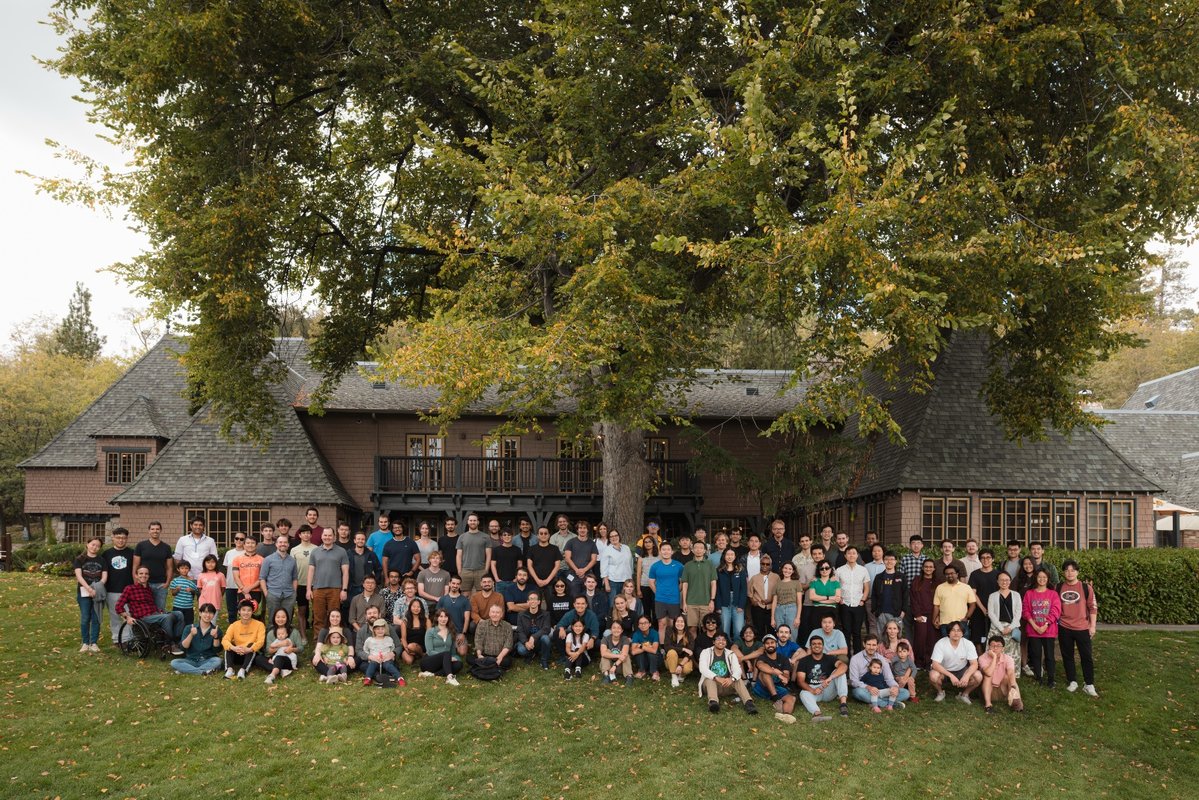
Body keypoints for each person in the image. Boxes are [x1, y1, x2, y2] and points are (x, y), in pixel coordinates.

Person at [115, 565, 185, 654]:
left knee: (179, 614)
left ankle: (177, 640)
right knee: (167, 617)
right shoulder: (130, 588)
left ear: (148, 576)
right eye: (141, 573)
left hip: (155, 614)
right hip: (143, 618)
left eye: (146, 574)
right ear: (136, 575)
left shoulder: (148, 589)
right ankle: (170, 644)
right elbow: (118, 606)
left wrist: (159, 612)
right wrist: (127, 617)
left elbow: (151, 605)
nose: (143, 575)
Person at [1058, 559, 1099, 697]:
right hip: (1064, 627)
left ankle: (1089, 684)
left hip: (1082, 627)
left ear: (1077, 572)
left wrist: (1092, 626)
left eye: (1073, 570)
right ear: (1063, 572)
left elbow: (1093, 608)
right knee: (1067, 655)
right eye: (1067, 570)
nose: (1070, 573)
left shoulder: (1086, 588)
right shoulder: (1059, 587)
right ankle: (1072, 681)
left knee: (1086, 657)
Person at [698, 632, 758, 714]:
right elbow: (703, 668)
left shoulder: (730, 654)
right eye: (718, 639)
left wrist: (732, 679)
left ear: (726, 643)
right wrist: (716, 677)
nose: (721, 642)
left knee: (738, 679)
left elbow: (738, 670)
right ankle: (713, 702)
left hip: (726, 684)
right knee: (710, 679)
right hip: (711, 685)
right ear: (713, 642)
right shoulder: (705, 652)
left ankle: (749, 703)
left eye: (723, 640)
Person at [307, 527, 350, 637]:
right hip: (318, 589)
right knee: (318, 617)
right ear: (321, 536)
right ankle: (319, 642)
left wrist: (344, 590)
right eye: (325, 535)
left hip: (335, 589)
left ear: (334, 537)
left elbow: (345, 572)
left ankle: (333, 640)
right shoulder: (315, 551)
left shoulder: (341, 551)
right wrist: (308, 589)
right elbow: (311, 571)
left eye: (330, 535)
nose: (327, 537)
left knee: (334, 617)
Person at [1023, 566, 1062, 687]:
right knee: (1036, 655)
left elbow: (1056, 611)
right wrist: (1034, 625)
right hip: (1033, 630)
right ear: (1036, 578)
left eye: (1044, 577)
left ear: (1048, 579)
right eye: (1039, 577)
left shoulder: (1053, 594)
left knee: (1049, 655)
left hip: (1048, 630)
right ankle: (1039, 677)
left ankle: (1051, 679)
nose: (1042, 579)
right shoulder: (1029, 593)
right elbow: (1025, 611)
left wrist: (1046, 624)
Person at [848, 634, 909, 709]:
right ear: (864, 644)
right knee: (858, 693)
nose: (871, 647)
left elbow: (889, 678)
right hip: (865, 689)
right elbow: (854, 681)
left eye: (874, 645)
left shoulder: (882, 659)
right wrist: (869, 687)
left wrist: (895, 687)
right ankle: (889, 703)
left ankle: (875, 702)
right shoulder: (855, 659)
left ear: (877, 646)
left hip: (882, 690)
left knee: (905, 693)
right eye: (869, 644)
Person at [795, 635, 848, 721]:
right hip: (813, 689)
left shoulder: (830, 658)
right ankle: (817, 714)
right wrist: (813, 690)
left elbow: (844, 666)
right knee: (803, 693)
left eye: (819, 644)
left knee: (840, 673)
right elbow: (800, 681)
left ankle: (843, 704)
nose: (817, 646)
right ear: (810, 646)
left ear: (823, 646)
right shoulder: (804, 661)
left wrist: (830, 678)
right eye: (814, 644)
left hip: (828, 688)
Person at [928, 621, 982, 703]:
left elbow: (974, 664)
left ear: (963, 633)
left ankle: (965, 695)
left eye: (959, 630)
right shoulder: (941, 643)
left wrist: (967, 676)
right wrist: (950, 676)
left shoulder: (968, 644)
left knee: (978, 676)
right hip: (944, 670)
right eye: (953, 630)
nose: (956, 633)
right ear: (948, 633)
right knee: (933, 676)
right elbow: (935, 664)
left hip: (961, 670)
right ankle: (940, 693)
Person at [101, 528, 136, 644]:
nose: (121, 540)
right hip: (112, 590)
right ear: (113, 538)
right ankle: (117, 638)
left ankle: (128, 639)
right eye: (118, 538)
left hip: (128, 590)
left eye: (124, 538)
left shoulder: (132, 553)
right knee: (115, 615)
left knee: (128, 615)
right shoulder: (106, 554)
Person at [752, 633, 797, 722]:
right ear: (764, 646)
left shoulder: (783, 658)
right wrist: (777, 673)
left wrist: (784, 677)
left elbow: (786, 675)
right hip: (762, 688)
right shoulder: (762, 657)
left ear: (776, 644)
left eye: (772, 642)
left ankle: (786, 716)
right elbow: (760, 666)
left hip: (777, 687)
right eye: (767, 643)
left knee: (792, 698)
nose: (770, 645)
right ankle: (775, 699)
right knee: (764, 673)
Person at [72, 535, 106, 653]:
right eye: (93, 544)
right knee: (85, 618)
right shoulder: (79, 560)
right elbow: (79, 576)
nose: (95, 547)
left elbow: (104, 576)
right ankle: (85, 643)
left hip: (98, 592)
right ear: (87, 544)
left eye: (98, 546)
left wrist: (97, 588)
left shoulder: (102, 560)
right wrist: (89, 589)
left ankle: (94, 643)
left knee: (96, 618)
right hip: (83, 592)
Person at [835, 546, 871, 655]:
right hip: (844, 604)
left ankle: (856, 655)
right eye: (849, 553)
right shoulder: (839, 570)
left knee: (857, 632)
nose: (851, 555)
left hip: (858, 604)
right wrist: (840, 599)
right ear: (845, 556)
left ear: (857, 555)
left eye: (854, 553)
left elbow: (867, 587)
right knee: (846, 631)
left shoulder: (863, 570)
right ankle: (846, 656)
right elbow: (836, 587)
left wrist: (863, 600)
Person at [987, 568, 1023, 672]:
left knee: (1011, 654)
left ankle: (1012, 674)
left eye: (1007, 580)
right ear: (997, 581)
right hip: (996, 628)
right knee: (995, 652)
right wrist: (1001, 628)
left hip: (1012, 628)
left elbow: (1018, 613)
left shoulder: (1016, 595)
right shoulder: (992, 596)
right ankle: (994, 673)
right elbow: (991, 613)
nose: (1004, 582)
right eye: (1001, 580)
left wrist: (1010, 627)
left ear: (1010, 581)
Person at [171, 603, 223, 675]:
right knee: (174, 662)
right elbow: (183, 647)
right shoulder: (189, 628)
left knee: (218, 661)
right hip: (191, 660)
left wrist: (216, 637)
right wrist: (191, 635)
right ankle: (202, 671)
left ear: (213, 615)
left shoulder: (217, 630)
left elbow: (216, 650)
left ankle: (186, 670)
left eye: (211, 613)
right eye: (205, 612)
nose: (208, 615)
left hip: (207, 660)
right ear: (200, 613)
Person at [134, 521, 175, 611]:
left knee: (160, 610)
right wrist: (136, 581)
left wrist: (167, 583)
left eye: (157, 529)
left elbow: (170, 567)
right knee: (144, 609)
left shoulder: (166, 547)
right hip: (144, 583)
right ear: (149, 531)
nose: (155, 531)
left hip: (161, 584)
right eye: (152, 529)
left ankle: (158, 625)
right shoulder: (141, 546)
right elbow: (135, 565)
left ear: (160, 531)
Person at [258, 532, 298, 625]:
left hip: (289, 595)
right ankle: (271, 638)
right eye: (280, 542)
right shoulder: (268, 559)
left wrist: (294, 593)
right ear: (276, 544)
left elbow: (295, 578)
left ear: (288, 545)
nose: (282, 544)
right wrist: (266, 593)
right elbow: (262, 578)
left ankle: (286, 637)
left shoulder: (292, 560)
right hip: (273, 594)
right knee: (273, 619)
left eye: (285, 542)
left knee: (287, 619)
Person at [222, 600, 268, 679]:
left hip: (250, 654)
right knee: (229, 645)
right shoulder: (234, 625)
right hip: (237, 652)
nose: (246, 613)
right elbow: (225, 640)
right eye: (243, 610)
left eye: (249, 610)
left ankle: (243, 670)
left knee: (251, 645)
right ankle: (230, 670)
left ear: (252, 612)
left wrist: (249, 649)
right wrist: (234, 648)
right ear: (239, 611)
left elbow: (260, 641)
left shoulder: (259, 625)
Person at [648, 541, 685, 640]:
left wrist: (677, 591)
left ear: (672, 551)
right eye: (663, 550)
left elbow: (683, 582)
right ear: (660, 551)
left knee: (673, 624)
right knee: (661, 623)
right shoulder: (655, 566)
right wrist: (658, 592)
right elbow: (651, 582)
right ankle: (663, 647)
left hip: (674, 599)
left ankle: (672, 645)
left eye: (668, 549)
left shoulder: (679, 566)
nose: (666, 552)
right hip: (660, 599)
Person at [967, 548, 1001, 653]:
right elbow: (973, 593)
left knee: (994, 635)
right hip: (978, 609)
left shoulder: (998, 574)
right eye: (982, 558)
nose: (985, 560)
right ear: (979, 559)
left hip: (995, 611)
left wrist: (991, 610)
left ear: (993, 559)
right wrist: (982, 608)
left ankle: (993, 658)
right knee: (977, 635)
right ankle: (980, 659)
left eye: (988, 557)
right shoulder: (975, 574)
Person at [979, 635, 1024, 713]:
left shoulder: (1008, 659)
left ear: (1003, 648)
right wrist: (994, 658)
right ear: (989, 647)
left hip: (1003, 690)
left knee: (1008, 677)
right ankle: (988, 705)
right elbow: (988, 673)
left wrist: (1013, 686)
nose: (995, 648)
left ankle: (1018, 704)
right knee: (987, 676)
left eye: (998, 646)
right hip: (988, 691)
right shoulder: (983, 657)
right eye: (993, 645)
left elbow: (1011, 672)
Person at [932, 565, 977, 639]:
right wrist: (934, 619)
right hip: (945, 623)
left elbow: (972, 604)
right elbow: (936, 606)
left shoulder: (966, 587)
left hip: (961, 622)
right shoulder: (940, 588)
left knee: (963, 646)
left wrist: (967, 617)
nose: (949, 575)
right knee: (947, 647)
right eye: (947, 574)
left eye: (952, 573)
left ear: (957, 574)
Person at [420, 608, 463, 685]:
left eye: (445, 616)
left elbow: (453, 652)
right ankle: (450, 677)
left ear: (448, 618)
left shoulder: (451, 632)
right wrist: (446, 656)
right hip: (429, 661)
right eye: (441, 616)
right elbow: (429, 651)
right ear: (437, 618)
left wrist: (456, 658)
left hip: (444, 662)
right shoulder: (430, 631)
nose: (443, 619)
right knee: (446, 653)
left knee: (459, 664)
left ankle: (432, 674)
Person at [289, 523, 317, 643]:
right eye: (303, 533)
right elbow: (291, 569)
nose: (306, 535)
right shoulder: (294, 550)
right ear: (299, 535)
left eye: (308, 533)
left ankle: (317, 634)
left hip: (315, 584)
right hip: (300, 584)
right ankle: (303, 635)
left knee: (317, 610)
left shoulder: (316, 549)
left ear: (311, 535)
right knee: (302, 611)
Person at [870, 551, 907, 639]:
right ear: (883, 561)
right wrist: (875, 611)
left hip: (896, 613)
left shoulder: (901, 577)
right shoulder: (879, 577)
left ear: (895, 561)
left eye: (891, 559)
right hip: (881, 613)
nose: (889, 561)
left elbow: (905, 594)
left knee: (896, 638)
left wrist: (903, 612)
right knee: (882, 638)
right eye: (886, 559)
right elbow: (874, 594)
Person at [715, 546, 748, 642]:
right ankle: (726, 650)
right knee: (725, 629)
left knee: (739, 629)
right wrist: (718, 606)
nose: (729, 557)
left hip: (737, 602)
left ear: (735, 556)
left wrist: (741, 605)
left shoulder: (740, 570)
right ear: (724, 556)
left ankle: (737, 651)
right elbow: (717, 590)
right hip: (724, 603)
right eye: (727, 554)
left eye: (732, 554)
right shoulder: (719, 570)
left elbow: (743, 589)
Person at [361, 618, 406, 687]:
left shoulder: (389, 639)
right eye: (378, 629)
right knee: (372, 664)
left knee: (388, 665)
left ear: (385, 630)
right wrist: (370, 657)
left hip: (386, 659)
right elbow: (365, 649)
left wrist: (391, 656)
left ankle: (399, 678)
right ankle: (368, 678)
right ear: (374, 630)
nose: (380, 631)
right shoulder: (370, 640)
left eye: (382, 629)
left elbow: (392, 648)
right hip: (375, 659)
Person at [909, 558, 937, 669]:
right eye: (926, 567)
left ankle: (930, 663)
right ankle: (919, 663)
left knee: (932, 639)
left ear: (934, 568)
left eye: (930, 567)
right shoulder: (916, 580)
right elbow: (913, 598)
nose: (928, 569)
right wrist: (917, 614)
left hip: (933, 615)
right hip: (920, 615)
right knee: (920, 639)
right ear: (922, 568)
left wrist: (937, 616)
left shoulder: (938, 582)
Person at [174, 517, 218, 587]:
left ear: (203, 526)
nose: (198, 527)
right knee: (186, 598)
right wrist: (183, 573)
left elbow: (214, 559)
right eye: (195, 524)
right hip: (187, 577)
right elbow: (177, 558)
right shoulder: (182, 540)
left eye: (200, 525)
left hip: (205, 577)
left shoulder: (210, 541)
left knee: (203, 598)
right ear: (191, 526)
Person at [471, 602, 514, 673]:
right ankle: (493, 666)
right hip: (484, 655)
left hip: (499, 655)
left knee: (508, 661)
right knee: (470, 658)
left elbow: (508, 644)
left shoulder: (507, 626)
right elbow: (478, 641)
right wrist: (479, 655)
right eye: (493, 612)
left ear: (501, 615)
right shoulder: (482, 624)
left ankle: (485, 666)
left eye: (497, 612)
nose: (495, 614)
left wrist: (499, 658)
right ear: (489, 614)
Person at [263, 608, 303, 684]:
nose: (280, 619)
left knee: (279, 658)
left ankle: (272, 675)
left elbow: (301, 648)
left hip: (289, 659)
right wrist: (281, 645)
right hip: (275, 657)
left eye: (283, 617)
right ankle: (281, 670)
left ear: (287, 618)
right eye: (278, 617)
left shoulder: (294, 632)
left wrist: (292, 649)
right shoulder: (271, 633)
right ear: (274, 618)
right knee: (258, 658)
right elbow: (268, 651)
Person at [456, 513, 493, 593]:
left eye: (474, 520)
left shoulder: (485, 537)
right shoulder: (462, 537)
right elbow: (459, 555)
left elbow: (489, 555)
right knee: (465, 594)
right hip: (465, 570)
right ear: (468, 522)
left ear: (478, 522)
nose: (473, 522)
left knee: (481, 594)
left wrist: (486, 570)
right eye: (471, 520)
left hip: (481, 570)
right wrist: (459, 570)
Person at [516, 591, 553, 669]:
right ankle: (531, 654)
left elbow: (546, 628)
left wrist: (533, 637)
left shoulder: (545, 614)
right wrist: (526, 642)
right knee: (521, 650)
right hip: (527, 640)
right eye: (531, 599)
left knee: (545, 638)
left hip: (539, 640)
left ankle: (544, 659)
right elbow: (520, 630)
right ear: (528, 602)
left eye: (535, 599)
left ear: (539, 602)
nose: (533, 601)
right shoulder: (521, 615)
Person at [435, 576, 472, 655]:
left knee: (462, 652)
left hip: (459, 632)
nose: (455, 585)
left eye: (458, 584)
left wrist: (463, 633)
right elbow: (437, 617)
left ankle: (462, 644)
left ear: (460, 586)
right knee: (443, 651)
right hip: (445, 631)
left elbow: (467, 618)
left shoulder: (465, 600)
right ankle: (452, 645)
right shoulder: (443, 599)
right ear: (449, 584)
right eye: (453, 583)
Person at [563, 520, 599, 594]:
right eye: (580, 528)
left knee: (586, 595)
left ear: (587, 530)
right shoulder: (570, 542)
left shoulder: (592, 543)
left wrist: (584, 570)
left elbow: (594, 559)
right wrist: (577, 570)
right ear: (577, 530)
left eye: (584, 528)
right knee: (573, 595)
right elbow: (567, 558)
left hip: (587, 574)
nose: (582, 530)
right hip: (572, 573)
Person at [600, 528, 634, 607]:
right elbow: (603, 568)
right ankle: (613, 619)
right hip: (613, 582)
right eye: (611, 536)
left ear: (619, 536)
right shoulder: (607, 550)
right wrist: (607, 584)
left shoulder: (626, 548)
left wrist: (631, 580)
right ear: (609, 538)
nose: (614, 538)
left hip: (626, 582)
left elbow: (630, 564)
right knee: (613, 604)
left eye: (616, 535)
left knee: (626, 604)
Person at [232, 536, 265, 617]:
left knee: (255, 614)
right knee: (243, 614)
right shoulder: (237, 559)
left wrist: (249, 588)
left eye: (253, 543)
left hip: (257, 591)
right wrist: (244, 590)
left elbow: (262, 577)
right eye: (248, 543)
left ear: (256, 545)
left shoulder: (262, 560)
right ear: (244, 545)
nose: (250, 545)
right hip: (242, 591)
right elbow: (236, 577)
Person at [746, 554, 778, 637]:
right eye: (763, 563)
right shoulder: (754, 578)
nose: (765, 566)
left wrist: (771, 600)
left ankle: (771, 647)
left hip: (772, 607)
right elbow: (749, 592)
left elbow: (779, 592)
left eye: (767, 564)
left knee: (772, 629)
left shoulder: (776, 577)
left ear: (770, 566)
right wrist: (753, 601)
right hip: (758, 607)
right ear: (760, 564)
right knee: (759, 629)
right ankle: (760, 647)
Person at [526, 526, 563, 594]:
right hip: (534, 582)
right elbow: (529, 566)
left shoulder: (555, 549)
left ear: (549, 535)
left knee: (551, 603)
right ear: (538, 535)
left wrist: (547, 580)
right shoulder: (532, 549)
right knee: (534, 604)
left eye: (545, 533)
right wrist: (537, 580)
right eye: (541, 533)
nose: (543, 535)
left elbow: (557, 566)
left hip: (551, 583)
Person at [663, 613, 694, 688]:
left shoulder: (689, 635)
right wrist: (683, 649)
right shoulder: (669, 631)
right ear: (674, 623)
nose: (679, 624)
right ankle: (674, 676)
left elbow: (689, 653)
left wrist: (681, 665)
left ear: (685, 623)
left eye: (682, 622)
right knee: (671, 652)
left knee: (687, 669)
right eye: (677, 621)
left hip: (683, 660)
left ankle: (681, 675)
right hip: (671, 659)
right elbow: (667, 647)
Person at [599, 619, 634, 686]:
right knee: (607, 652)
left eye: (618, 628)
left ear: (622, 630)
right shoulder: (605, 639)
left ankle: (629, 676)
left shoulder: (625, 639)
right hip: (608, 665)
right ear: (611, 630)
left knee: (625, 655)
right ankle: (606, 676)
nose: (616, 630)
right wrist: (618, 656)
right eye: (614, 628)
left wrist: (615, 666)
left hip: (620, 666)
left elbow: (624, 655)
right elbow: (603, 653)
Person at [807, 560, 841, 624]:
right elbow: (812, 597)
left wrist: (819, 600)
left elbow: (837, 599)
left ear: (831, 569)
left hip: (832, 611)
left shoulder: (836, 583)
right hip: (817, 610)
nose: (824, 570)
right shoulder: (814, 582)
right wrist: (829, 598)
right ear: (819, 570)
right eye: (822, 568)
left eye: (827, 568)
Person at [490, 528, 523, 593]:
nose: (507, 537)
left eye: (509, 535)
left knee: (513, 601)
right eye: (504, 535)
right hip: (500, 582)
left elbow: (520, 565)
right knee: (500, 602)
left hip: (513, 581)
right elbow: (492, 565)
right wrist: (497, 579)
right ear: (501, 537)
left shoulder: (517, 550)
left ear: (512, 536)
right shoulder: (496, 550)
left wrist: (516, 578)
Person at [773, 561, 802, 634]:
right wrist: (772, 618)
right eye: (785, 568)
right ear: (782, 569)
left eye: (790, 569)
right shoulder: (777, 584)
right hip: (779, 610)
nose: (787, 570)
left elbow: (799, 602)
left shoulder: (796, 583)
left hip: (792, 609)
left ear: (793, 571)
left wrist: (798, 617)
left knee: (792, 633)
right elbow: (774, 602)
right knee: (780, 633)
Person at [398, 598, 429, 666]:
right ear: (410, 608)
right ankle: (416, 657)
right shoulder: (405, 622)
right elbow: (403, 639)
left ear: (421, 608)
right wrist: (407, 649)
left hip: (421, 647)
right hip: (408, 647)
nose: (416, 608)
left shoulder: (426, 621)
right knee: (409, 661)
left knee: (412, 646)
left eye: (418, 607)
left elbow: (429, 637)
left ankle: (422, 655)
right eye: (414, 606)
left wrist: (428, 650)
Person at [168, 560, 198, 625]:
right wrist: (177, 590)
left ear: (189, 569)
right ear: (178, 569)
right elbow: (173, 593)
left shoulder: (191, 581)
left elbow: (196, 591)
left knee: (189, 623)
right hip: (177, 606)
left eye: (186, 568)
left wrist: (191, 590)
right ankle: (177, 635)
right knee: (177, 622)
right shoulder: (175, 581)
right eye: (182, 568)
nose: (184, 570)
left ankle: (187, 634)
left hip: (188, 607)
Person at [631, 615, 660, 680]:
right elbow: (633, 652)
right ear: (638, 625)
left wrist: (641, 646)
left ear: (649, 624)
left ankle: (654, 671)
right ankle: (642, 671)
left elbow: (654, 650)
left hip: (655, 660)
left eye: (645, 623)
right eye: (641, 623)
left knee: (651, 653)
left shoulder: (654, 633)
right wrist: (648, 647)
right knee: (640, 653)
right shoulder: (636, 634)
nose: (643, 625)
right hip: (643, 660)